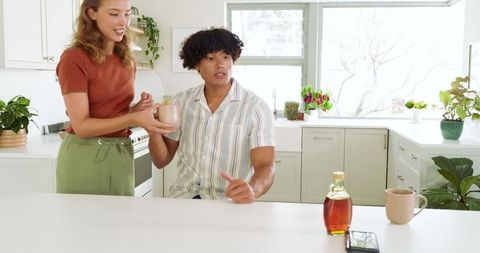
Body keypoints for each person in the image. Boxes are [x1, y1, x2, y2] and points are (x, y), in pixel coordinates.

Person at [55, 0, 175, 196]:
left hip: (120, 154)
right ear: (92, 13)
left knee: (121, 224)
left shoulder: (126, 61)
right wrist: (133, 118)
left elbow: (108, 114)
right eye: (114, 14)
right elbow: (82, 127)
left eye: (127, 14)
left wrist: (135, 110)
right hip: (85, 157)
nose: (123, 22)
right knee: (84, 224)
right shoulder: (74, 59)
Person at [149, 27, 276, 204]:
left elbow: (265, 166)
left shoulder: (256, 108)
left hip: (229, 202)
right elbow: (161, 160)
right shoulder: (181, 102)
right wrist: (153, 130)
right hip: (182, 199)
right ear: (196, 64)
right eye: (211, 58)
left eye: (226, 57)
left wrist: (253, 190)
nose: (220, 64)